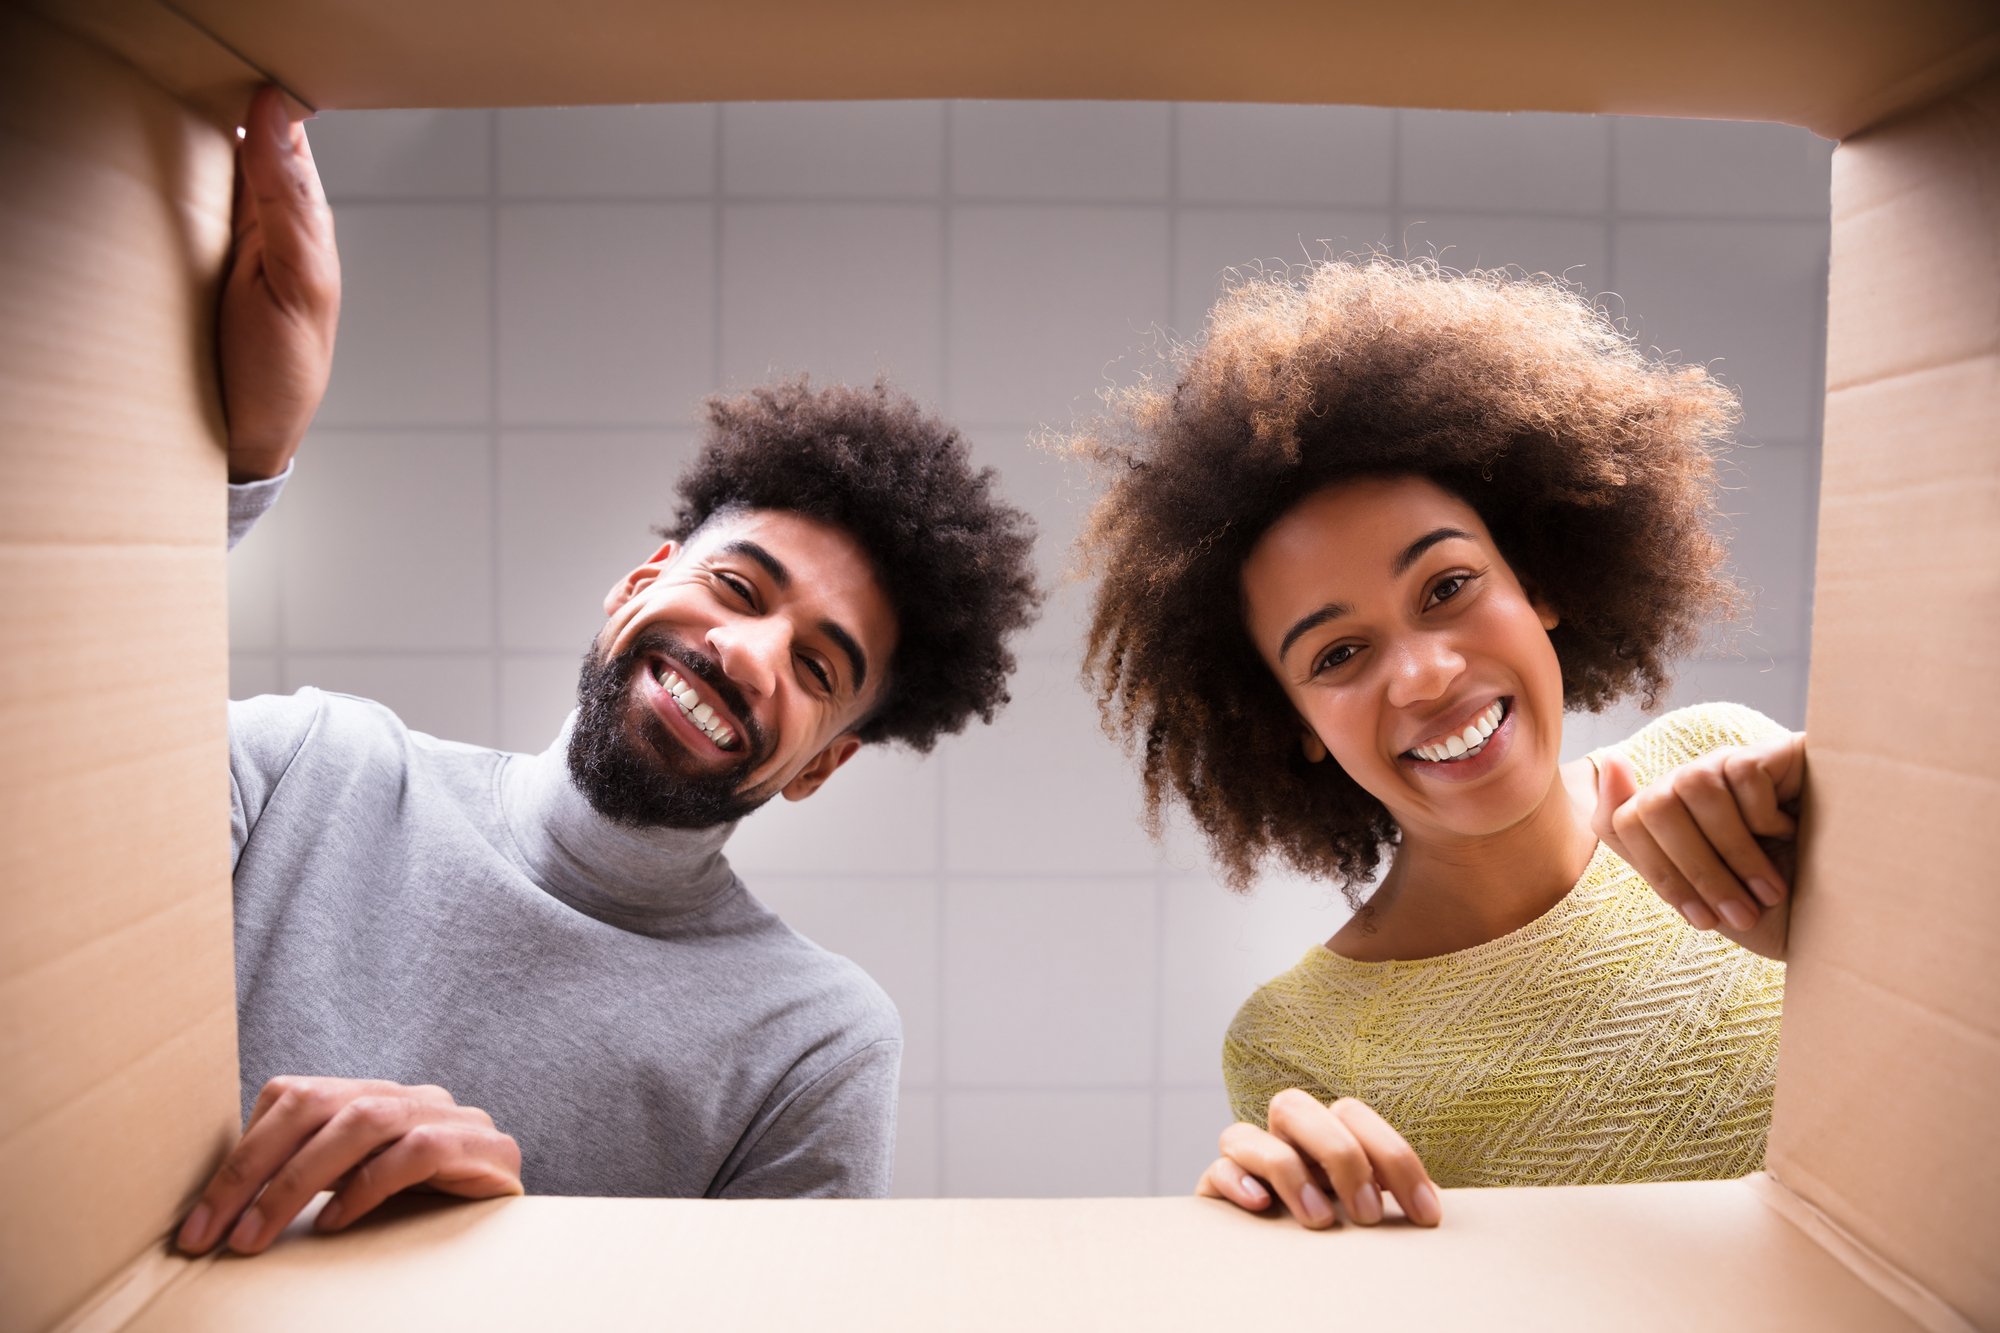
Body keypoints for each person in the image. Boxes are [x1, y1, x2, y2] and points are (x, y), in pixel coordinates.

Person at [179, 88, 1039, 1257]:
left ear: (820, 765)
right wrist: (240, 460)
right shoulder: (307, 769)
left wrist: (509, 1251)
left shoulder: (810, 1039)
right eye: (739, 588)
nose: (746, 652)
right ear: (637, 584)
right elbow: (48, 774)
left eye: (818, 666)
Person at [1067, 256, 1804, 1230]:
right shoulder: (1295, 1048)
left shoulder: (1726, 775)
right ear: (1297, 727)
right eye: (1336, 653)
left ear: (1534, 584)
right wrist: (1276, 1267)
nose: (1420, 675)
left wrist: (1866, 905)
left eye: (1447, 586)